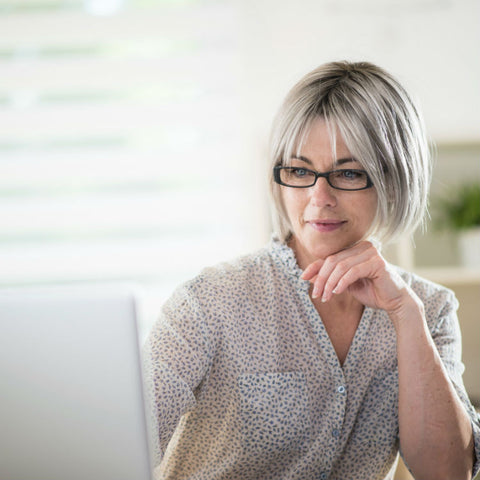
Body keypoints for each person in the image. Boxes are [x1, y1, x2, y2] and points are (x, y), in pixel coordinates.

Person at [143, 61, 480, 480]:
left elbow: (447, 473)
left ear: (394, 181)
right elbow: (114, 446)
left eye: (349, 173)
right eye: (300, 171)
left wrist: (404, 315)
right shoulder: (209, 302)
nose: (319, 198)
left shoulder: (427, 310)